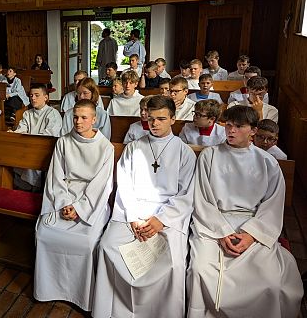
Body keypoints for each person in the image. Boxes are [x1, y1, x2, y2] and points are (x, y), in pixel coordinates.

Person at [186, 105, 302, 318]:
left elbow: (272, 205)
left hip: (254, 226)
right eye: (228, 125)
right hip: (214, 225)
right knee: (200, 271)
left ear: (253, 131)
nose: (231, 130)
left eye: (239, 126)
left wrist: (251, 235)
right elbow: (202, 199)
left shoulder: (267, 162)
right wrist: (221, 232)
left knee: (271, 282)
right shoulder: (209, 156)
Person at [94, 95, 196, 318]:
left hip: (167, 215)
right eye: (151, 119)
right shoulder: (133, 147)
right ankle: (113, 311)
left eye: (161, 119)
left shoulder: (184, 152)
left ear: (173, 119)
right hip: (132, 211)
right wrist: (133, 217)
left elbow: (186, 194)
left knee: (175, 263)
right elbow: (124, 185)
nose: (155, 124)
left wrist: (160, 221)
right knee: (107, 246)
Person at [34, 99, 114, 312]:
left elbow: (102, 185)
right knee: (44, 233)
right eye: (75, 117)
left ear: (94, 119)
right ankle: (49, 289)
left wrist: (79, 209)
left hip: (90, 202)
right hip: (64, 197)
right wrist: (64, 203)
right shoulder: (63, 142)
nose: (78, 121)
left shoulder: (105, 147)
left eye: (84, 117)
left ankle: (80, 295)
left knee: (86, 242)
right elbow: (55, 177)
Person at [11, 83, 62, 191]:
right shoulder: (27, 113)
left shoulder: (53, 113)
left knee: (31, 161)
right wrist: (14, 133)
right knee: (13, 156)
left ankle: (35, 189)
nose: (33, 98)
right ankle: (21, 188)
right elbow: (22, 128)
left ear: (46, 97)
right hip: (28, 146)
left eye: (37, 95)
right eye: (31, 95)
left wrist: (30, 142)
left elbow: (49, 135)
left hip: (44, 149)